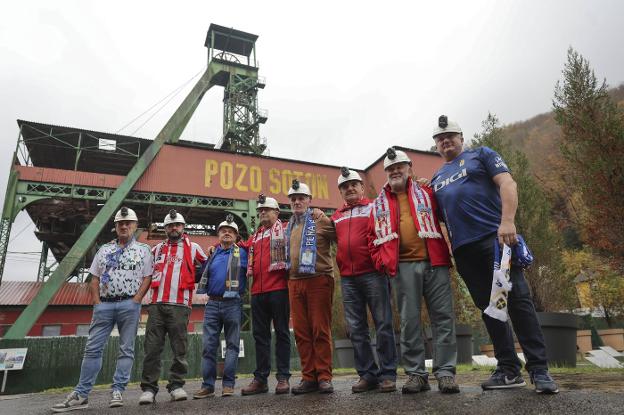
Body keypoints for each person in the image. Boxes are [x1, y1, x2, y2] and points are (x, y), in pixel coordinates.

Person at [430, 115, 558, 394]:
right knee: (492, 309)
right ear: (436, 146)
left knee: (518, 302)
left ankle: (539, 370)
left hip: (495, 241)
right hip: (464, 252)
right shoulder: (436, 178)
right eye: (440, 139)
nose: (445, 140)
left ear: (461, 138)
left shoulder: (482, 155)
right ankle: (509, 370)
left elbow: (508, 184)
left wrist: (508, 221)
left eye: (450, 135)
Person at [369, 149, 460, 394]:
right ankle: (416, 374)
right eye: (390, 169)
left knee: (443, 319)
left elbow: (448, 215)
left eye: (399, 166)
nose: (395, 171)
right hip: (402, 267)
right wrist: (383, 262)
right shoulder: (378, 203)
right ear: (386, 174)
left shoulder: (428, 192)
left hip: (435, 262)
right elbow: (371, 237)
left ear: (409, 167)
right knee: (409, 322)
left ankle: (445, 373)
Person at [52, 207, 153, 412]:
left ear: (135, 226)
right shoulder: (104, 249)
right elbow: (95, 278)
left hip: (129, 304)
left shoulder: (144, 250)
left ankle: (118, 391)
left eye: (128, 223)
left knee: (126, 349)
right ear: (115, 227)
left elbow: (147, 277)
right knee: (93, 349)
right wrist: (97, 302)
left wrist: (136, 299)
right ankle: (82, 394)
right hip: (104, 305)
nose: (124, 226)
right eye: (120, 224)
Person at [331, 168, 397, 393]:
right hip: (348, 279)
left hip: (373, 274)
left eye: (353, 185)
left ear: (361, 187)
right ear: (340, 191)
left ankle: (388, 374)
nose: (349, 188)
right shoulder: (336, 216)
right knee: (357, 330)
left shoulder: (374, 207)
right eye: (344, 186)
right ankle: (368, 375)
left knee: (383, 324)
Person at [139, 210, 208, 404]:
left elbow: (208, 266)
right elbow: (145, 272)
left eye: (177, 225)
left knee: (179, 349)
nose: (174, 228)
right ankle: (149, 389)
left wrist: (195, 280)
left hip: (180, 305)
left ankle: (176, 385)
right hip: (156, 305)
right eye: (170, 225)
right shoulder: (156, 249)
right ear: (165, 228)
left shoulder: (193, 247)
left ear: (183, 227)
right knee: (152, 349)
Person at [286, 180, 337, 394]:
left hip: (318, 279)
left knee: (320, 329)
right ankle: (309, 377)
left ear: (309, 200)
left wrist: (326, 216)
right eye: (294, 199)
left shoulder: (320, 220)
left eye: (301, 198)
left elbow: (338, 237)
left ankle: (324, 376)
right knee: (301, 332)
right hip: (294, 282)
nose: (297, 202)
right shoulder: (288, 225)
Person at [241, 195, 291, 396]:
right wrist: (217, 246)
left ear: (277, 212)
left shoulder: (286, 229)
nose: (262, 212)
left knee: (281, 333)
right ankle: (261, 379)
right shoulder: (256, 236)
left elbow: (305, 228)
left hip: (279, 289)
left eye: (267, 209)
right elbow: (242, 247)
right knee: (260, 336)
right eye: (260, 210)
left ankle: (283, 377)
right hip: (257, 292)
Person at [193, 215, 248, 399]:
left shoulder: (243, 253)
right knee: (209, 346)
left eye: (231, 231)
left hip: (233, 303)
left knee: (232, 346)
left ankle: (228, 385)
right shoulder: (213, 254)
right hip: (212, 303)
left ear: (236, 236)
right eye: (223, 230)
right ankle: (207, 386)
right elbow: (199, 272)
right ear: (218, 235)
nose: (227, 233)